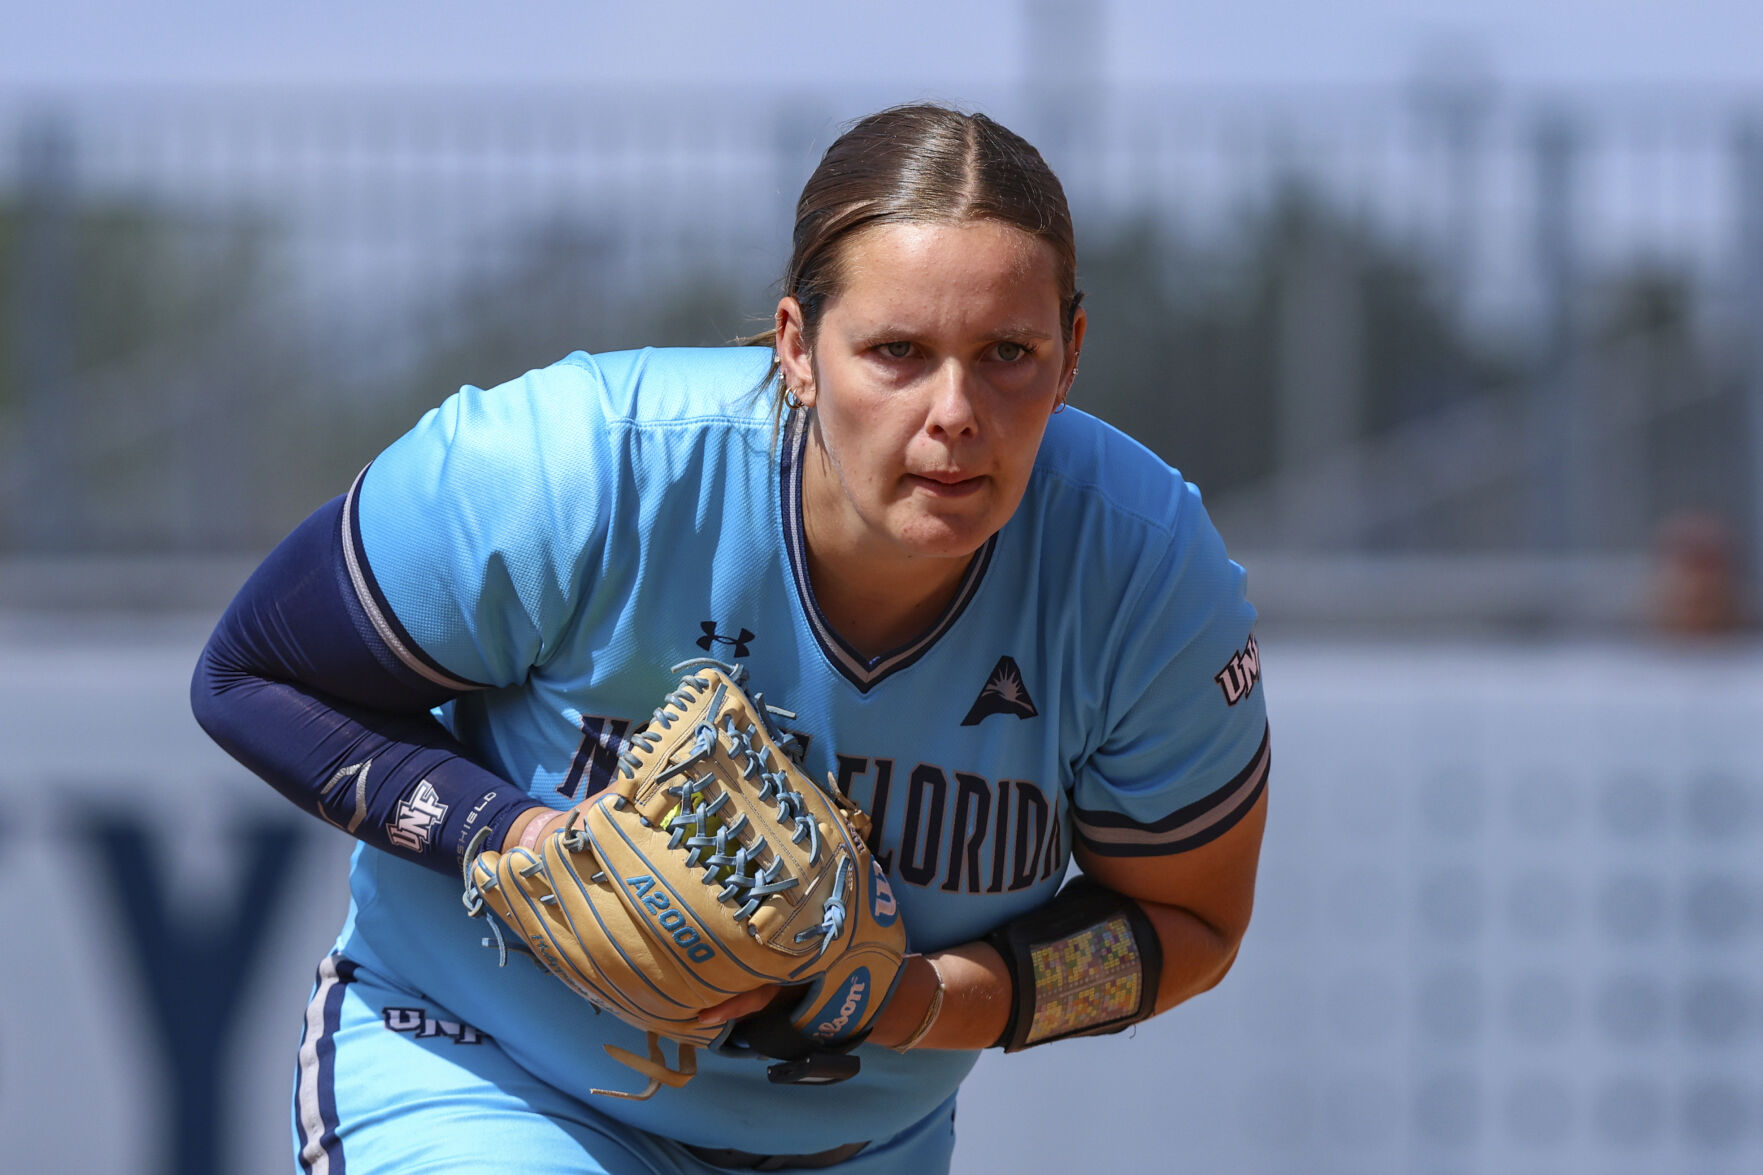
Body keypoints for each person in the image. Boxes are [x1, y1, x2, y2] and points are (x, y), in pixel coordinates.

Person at [192, 103, 1269, 1174]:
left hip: (852, 1141)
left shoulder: (1139, 570)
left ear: (1071, 352)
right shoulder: (582, 465)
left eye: (1007, 353)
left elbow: (1189, 922)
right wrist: (515, 835)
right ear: (796, 347)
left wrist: (915, 999)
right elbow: (251, 672)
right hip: (486, 1071)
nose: (955, 411)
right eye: (895, 351)